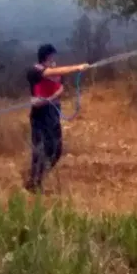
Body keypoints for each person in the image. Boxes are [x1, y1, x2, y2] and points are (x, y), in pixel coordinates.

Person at [25, 44, 90, 193]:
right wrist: (78, 67)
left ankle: (38, 177)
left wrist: (52, 97)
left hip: (53, 112)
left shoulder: (53, 72)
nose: (54, 60)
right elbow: (56, 72)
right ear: (45, 58)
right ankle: (34, 183)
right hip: (39, 115)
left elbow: (61, 87)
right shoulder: (34, 71)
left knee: (57, 149)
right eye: (51, 57)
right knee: (41, 148)